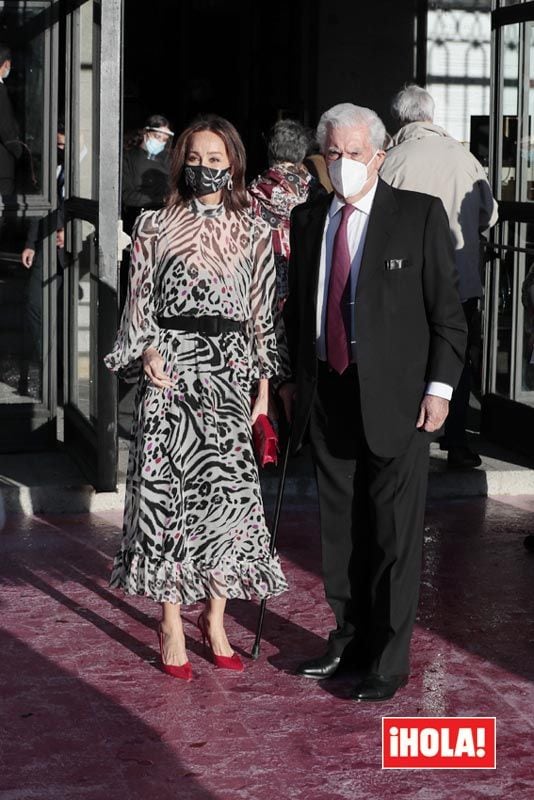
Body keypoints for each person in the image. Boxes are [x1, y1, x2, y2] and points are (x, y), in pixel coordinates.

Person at [280, 103, 466, 701]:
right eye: (333, 153)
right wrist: (289, 379)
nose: (343, 164)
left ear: (379, 157)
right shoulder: (309, 219)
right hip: (328, 393)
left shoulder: (418, 215)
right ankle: (349, 637)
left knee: (392, 532)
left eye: (355, 154)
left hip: (398, 400)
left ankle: (388, 656)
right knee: (340, 528)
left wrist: (439, 389)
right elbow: (296, 308)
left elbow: (448, 315)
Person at [105, 114, 288, 681]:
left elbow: (263, 319)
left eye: (216, 160)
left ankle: (213, 618)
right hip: (172, 373)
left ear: (233, 165)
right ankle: (169, 623)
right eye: (195, 158)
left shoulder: (254, 230)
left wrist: (263, 392)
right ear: (179, 161)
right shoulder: (155, 226)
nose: (204, 168)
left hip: (231, 377)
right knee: (168, 500)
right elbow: (138, 306)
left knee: (228, 504)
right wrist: (148, 353)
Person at [380, 84, 498, 469]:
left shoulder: (391, 159)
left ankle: (404, 435)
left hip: (404, 282)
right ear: (431, 116)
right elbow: (489, 216)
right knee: (457, 359)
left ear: (399, 118)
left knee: (405, 358)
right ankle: (458, 439)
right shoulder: (464, 158)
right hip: (458, 280)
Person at [19, 126, 65, 396]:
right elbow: (42, 205)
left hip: (71, 252)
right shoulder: (53, 168)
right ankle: (48, 366)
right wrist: (30, 244)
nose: (59, 150)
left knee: (61, 315)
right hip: (45, 245)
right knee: (34, 305)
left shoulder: (88, 167)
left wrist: (72, 232)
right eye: (57, 145)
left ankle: (60, 378)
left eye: (63, 145)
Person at [120, 114, 174, 309]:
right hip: (135, 224)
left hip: (163, 228)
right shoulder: (129, 157)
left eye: (165, 139)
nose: (161, 143)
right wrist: (157, 199)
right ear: (146, 133)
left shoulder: (168, 160)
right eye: (158, 137)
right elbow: (126, 194)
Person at [0, 44, 22, 198]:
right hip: (2, 168)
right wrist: (20, 153)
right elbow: (6, 129)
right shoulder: (1, 92)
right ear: (6, 63)